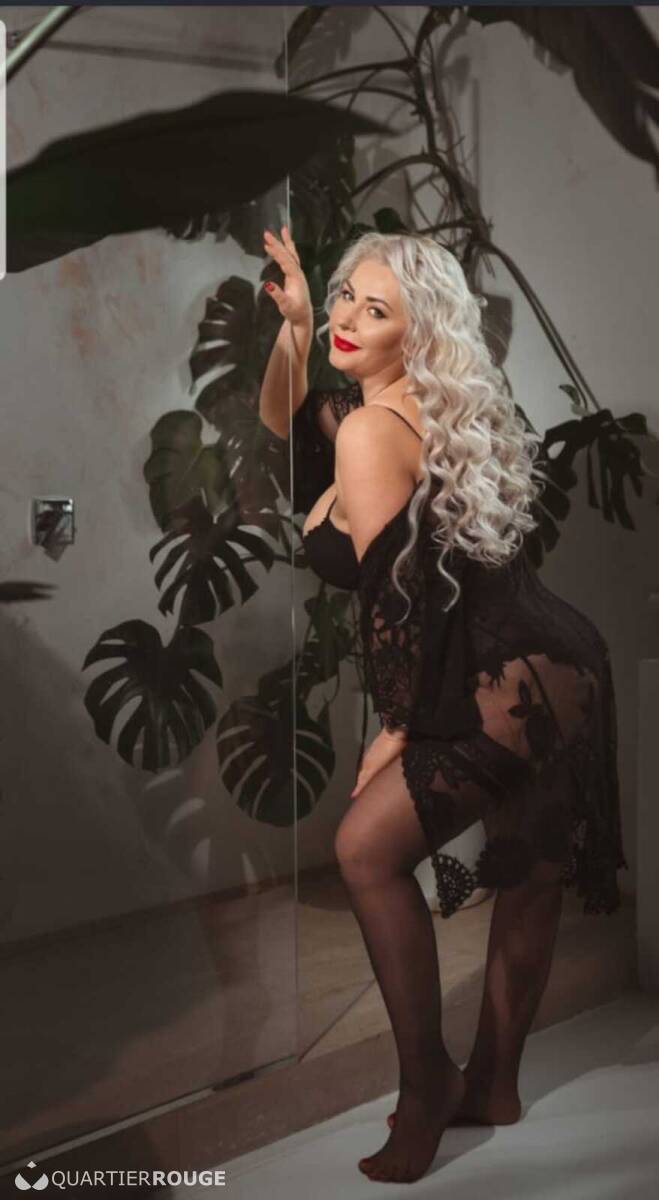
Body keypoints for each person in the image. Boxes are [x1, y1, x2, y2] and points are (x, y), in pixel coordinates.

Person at [258, 225, 628, 1184]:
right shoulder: (402, 409)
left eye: (373, 309)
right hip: (558, 659)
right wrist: (292, 327)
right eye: (344, 295)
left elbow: (400, 602)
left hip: (509, 671)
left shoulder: (373, 430)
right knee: (529, 872)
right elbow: (283, 423)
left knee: (363, 850)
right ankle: (492, 1087)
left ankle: (427, 1089)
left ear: (415, 333)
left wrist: (394, 728)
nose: (346, 317)